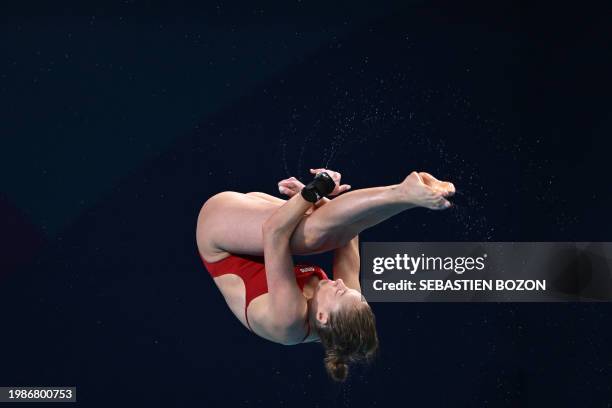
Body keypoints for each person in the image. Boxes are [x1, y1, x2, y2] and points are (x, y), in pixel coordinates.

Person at [196, 169, 455, 381]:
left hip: (219, 234)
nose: (340, 282)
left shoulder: (288, 322)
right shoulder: (344, 306)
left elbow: (274, 232)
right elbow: (351, 232)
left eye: (340, 290)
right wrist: (321, 200)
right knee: (332, 232)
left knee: (313, 238)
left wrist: (314, 191)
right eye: (351, 291)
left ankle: (405, 192)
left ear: (321, 317)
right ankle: (411, 194)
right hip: (250, 228)